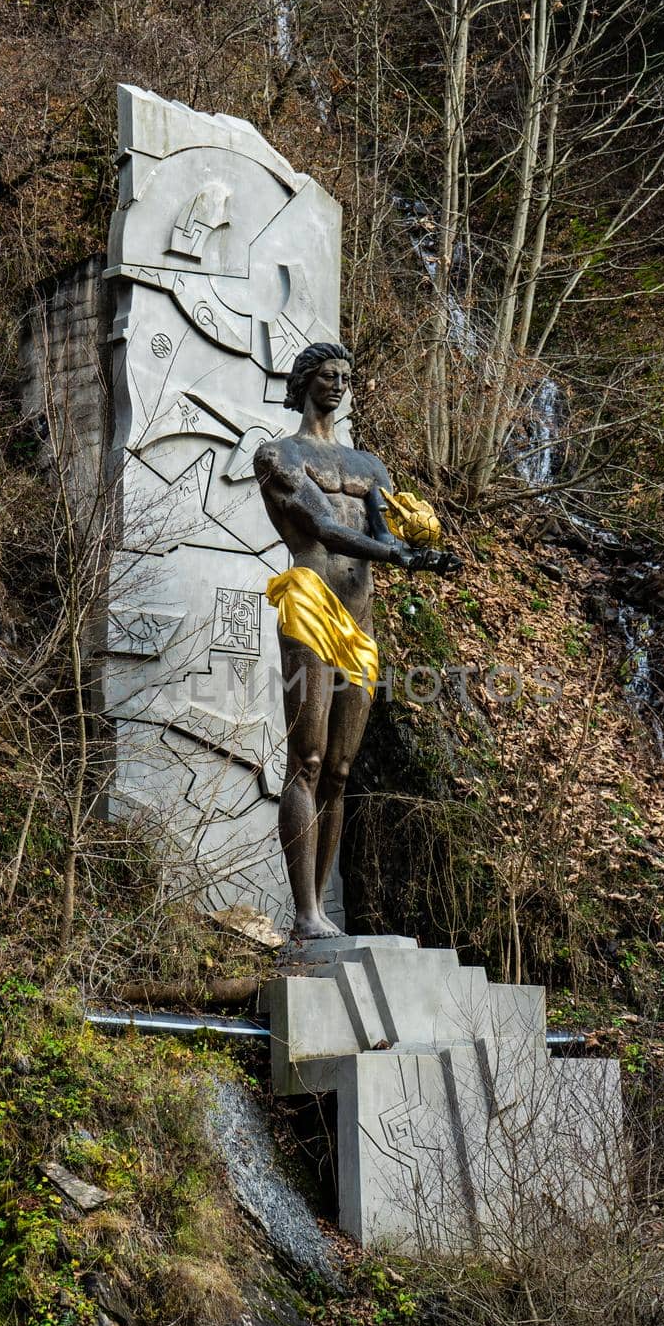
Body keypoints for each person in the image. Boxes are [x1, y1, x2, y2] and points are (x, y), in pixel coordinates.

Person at [254, 342, 459, 940]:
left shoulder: (370, 466)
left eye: (346, 376)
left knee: (341, 769)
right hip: (311, 604)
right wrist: (398, 552)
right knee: (308, 758)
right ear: (305, 382)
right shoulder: (278, 455)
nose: (339, 384)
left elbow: (376, 530)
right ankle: (305, 913)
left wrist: (417, 543)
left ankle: (321, 908)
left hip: (360, 616)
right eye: (328, 375)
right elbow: (321, 527)